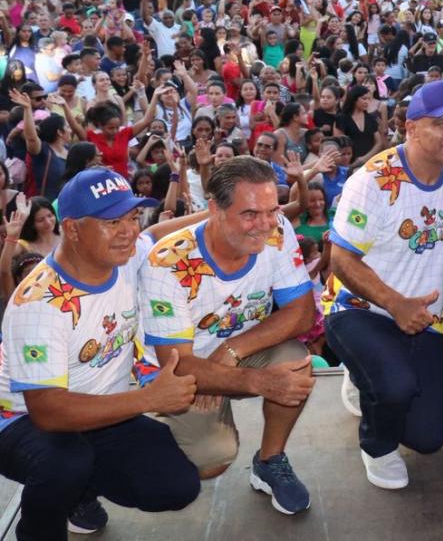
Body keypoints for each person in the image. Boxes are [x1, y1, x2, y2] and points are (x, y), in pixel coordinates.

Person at [0, 168, 201, 539]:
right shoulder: (39, 304)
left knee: (177, 485)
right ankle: (36, 530)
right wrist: (147, 398)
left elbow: (155, 234)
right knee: (65, 461)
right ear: (73, 229)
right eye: (113, 221)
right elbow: (47, 410)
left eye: (132, 217)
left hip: (97, 407)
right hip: (19, 419)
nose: (129, 230)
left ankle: (79, 491)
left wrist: (219, 213)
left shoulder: (122, 254)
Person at [140, 155, 317, 514]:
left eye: (271, 209)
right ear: (215, 209)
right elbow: (178, 362)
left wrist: (233, 350)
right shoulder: (168, 263)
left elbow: (302, 315)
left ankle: (270, 461)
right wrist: (257, 382)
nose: (265, 224)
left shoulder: (277, 230)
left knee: (296, 364)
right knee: (213, 458)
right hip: (182, 367)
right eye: (250, 214)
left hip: (240, 349)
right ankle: (142, 422)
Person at [324, 80, 443, 491]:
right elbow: (341, 259)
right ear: (410, 129)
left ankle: (369, 373)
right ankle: (376, 445)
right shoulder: (372, 182)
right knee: (394, 387)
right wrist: (395, 304)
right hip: (361, 310)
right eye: (442, 124)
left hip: (426, 316)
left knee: (429, 440)